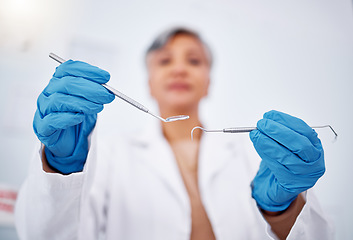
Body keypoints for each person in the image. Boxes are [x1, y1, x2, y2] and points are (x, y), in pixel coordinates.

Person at [15, 27, 334, 240]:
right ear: (150, 81)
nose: (179, 69)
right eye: (165, 60)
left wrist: (283, 211)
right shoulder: (111, 155)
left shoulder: (255, 155)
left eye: (194, 61)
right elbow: (42, 234)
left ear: (209, 81)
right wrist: (61, 167)